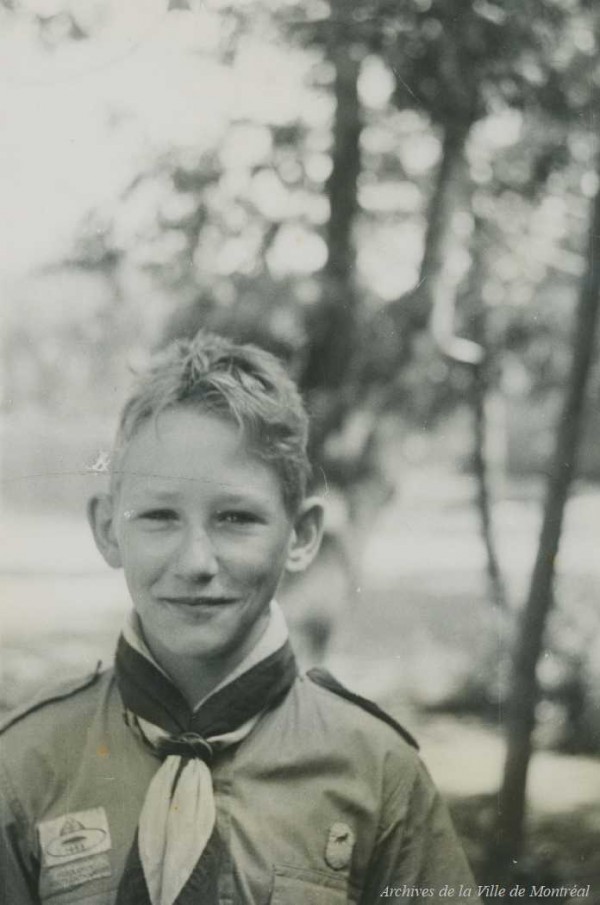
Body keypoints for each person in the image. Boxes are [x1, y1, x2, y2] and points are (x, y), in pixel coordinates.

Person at [0, 331, 482, 904]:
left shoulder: (377, 775)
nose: (196, 562)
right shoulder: (26, 766)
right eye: (159, 516)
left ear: (301, 536)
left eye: (235, 517)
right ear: (108, 531)